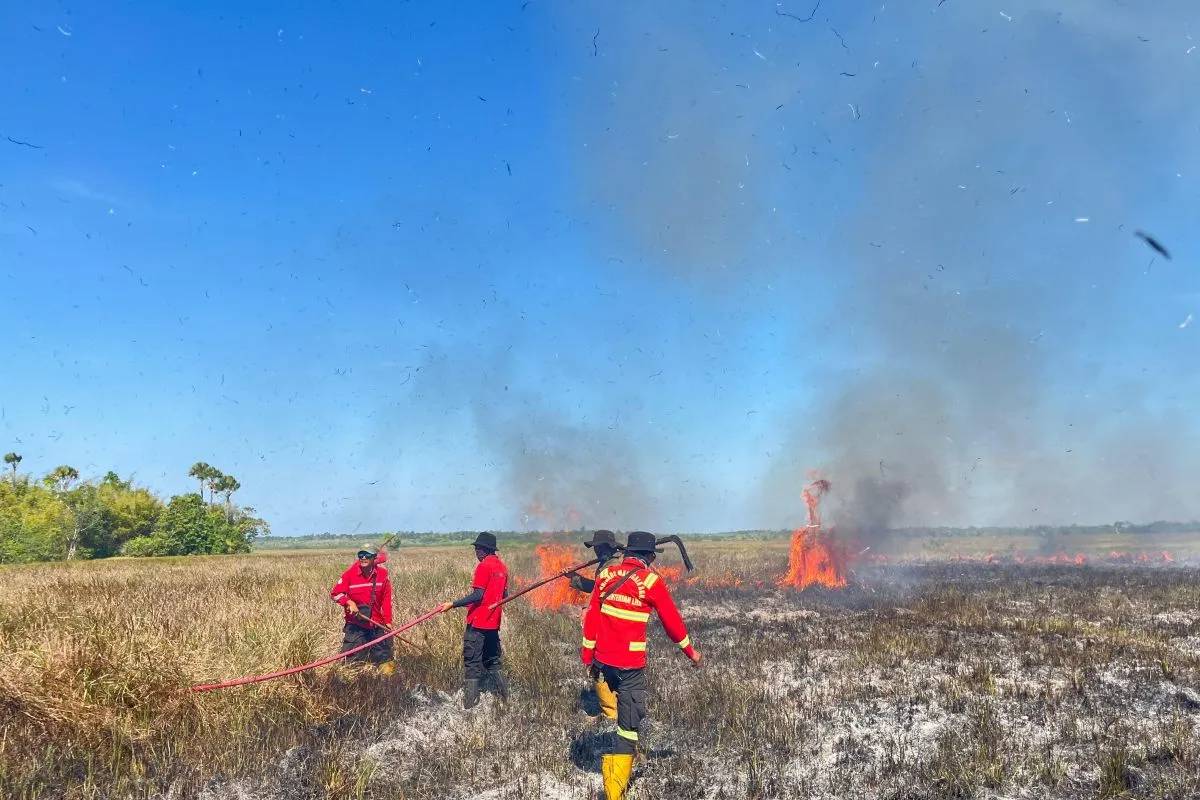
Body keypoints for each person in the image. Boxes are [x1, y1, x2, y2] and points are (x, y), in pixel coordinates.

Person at [581, 531, 701, 800]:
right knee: (628, 726)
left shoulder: (605, 575)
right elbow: (672, 622)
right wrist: (690, 651)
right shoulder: (650, 581)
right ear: (649, 557)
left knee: (624, 714)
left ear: (627, 553)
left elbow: (592, 618)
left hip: (604, 662)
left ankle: (628, 755)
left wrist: (588, 657)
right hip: (629, 666)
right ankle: (614, 791)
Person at [439, 532, 509, 708]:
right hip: (493, 624)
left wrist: (452, 604)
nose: (476, 552)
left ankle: (469, 705)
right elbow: (505, 595)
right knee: (493, 660)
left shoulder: (484, 566)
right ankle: (505, 698)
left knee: (472, 662)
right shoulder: (502, 567)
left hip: (478, 623)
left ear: (485, 550)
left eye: (477, 548)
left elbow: (478, 595)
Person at [569, 530, 624, 720]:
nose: (596, 551)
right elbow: (597, 587)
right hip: (605, 623)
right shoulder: (606, 564)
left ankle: (612, 715)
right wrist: (574, 578)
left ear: (609, 547)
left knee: (601, 666)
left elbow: (604, 593)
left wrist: (588, 609)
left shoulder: (615, 566)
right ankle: (616, 710)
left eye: (599, 547)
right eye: (595, 548)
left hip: (611, 623)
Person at [329, 543, 395, 673]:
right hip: (356, 625)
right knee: (350, 666)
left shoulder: (383, 575)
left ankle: (387, 683)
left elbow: (386, 600)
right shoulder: (350, 574)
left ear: (374, 558)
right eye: (361, 555)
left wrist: (388, 622)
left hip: (377, 624)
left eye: (367, 555)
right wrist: (349, 602)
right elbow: (335, 594)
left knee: (386, 664)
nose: (363, 557)